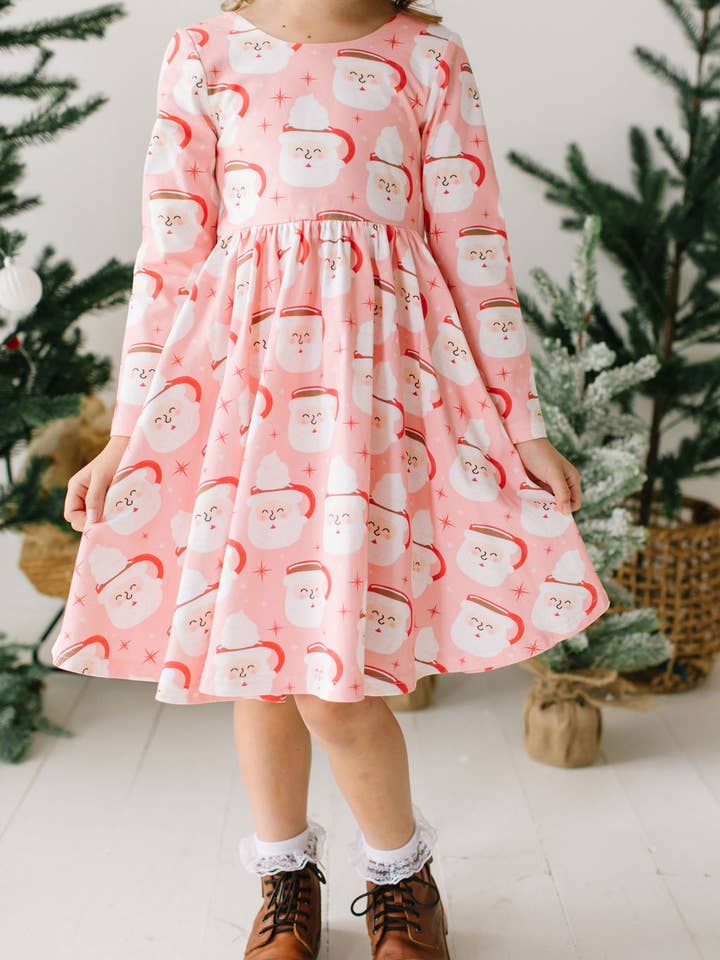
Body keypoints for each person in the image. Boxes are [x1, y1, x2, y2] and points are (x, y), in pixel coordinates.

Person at [54, 0, 611, 956]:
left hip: (378, 404)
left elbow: (473, 249)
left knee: (333, 688)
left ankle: (403, 878)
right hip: (241, 400)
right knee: (260, 674)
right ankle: (286, 881)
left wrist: (519, 427)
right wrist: (129, 435)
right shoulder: (206, 52)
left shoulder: (426, 54)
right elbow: (170, 260)